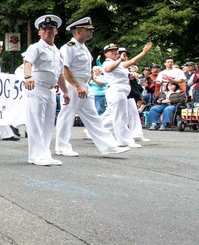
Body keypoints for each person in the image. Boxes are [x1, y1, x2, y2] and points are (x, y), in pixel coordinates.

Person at [54, 18, 129, 157]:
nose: (91, 32)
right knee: (67, 115)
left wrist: (84, 84)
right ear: (78, 32)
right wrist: (76, 86)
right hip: (73, 85)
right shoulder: (68, 47)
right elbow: (64, 69)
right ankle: (62, 146)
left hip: (85, 85)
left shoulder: (83, 47)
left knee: (93, 116)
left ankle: (108, 145)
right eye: (88, 30)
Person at [22, 15, 68, 166]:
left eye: (51, 29)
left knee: (48, 123)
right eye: (45, 29)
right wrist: (28, 76)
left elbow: (60, 74)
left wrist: (65, 91)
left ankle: (45, 153)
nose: (48, 31)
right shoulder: (35, 47)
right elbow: (27, 62)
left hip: (51, 90)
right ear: (39, 32)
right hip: (37, 87)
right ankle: (35, 155)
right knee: (35, 122)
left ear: (56, 31)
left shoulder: (57, 51)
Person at [102, 42, 154, 148]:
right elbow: (108, 69)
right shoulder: (107, 63)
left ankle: (123, 139)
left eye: (115, 51)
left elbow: (132, 61)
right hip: (116, 90)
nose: (115, 53)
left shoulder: (118, 64)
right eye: (111, 51)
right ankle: (124, 140)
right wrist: (120, 60)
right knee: (120, 117)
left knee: (121, 116)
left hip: (122, 91)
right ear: (106, 54)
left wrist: (144, 52)